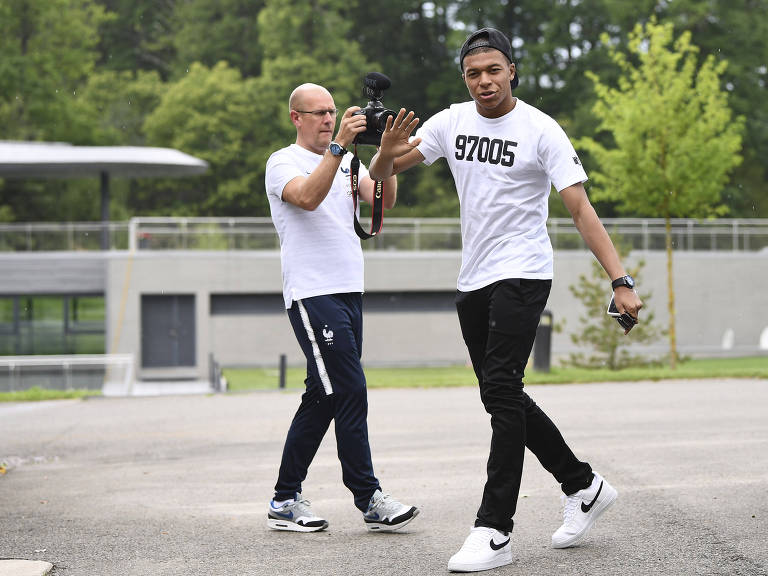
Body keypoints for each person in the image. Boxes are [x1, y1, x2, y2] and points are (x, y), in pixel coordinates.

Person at [369, 28, 643, 572]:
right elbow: (382, 177)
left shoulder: (542, 130)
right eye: (473, 73)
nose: (484, 81)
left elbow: (580, 210)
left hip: (524, 271)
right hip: (473, 278)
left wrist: (620, 279)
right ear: (464, 79)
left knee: (499, 390)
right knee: (503, 394)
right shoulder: (451, 122)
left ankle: (494, 529)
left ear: (511, 70)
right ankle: (583, 485)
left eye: (493, 70)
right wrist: (382, 151)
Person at [264, 83, 419, 534]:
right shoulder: (282, 162)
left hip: (350, 290)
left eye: (332, 111)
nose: (329, 119)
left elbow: (382, 200)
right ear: (296, 117)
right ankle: (369, 498)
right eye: (318, 113)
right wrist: (339, 147)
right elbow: (308, 197)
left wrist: (386, 155)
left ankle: (284, 498)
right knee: (349, 390)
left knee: (323, 396)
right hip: (313, 293)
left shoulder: (348, 160)